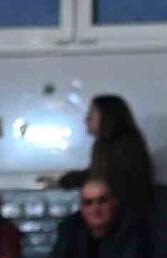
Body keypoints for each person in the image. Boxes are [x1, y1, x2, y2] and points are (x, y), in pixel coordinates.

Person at [60, 92, 158, 223]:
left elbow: (105, 180)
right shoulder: (112, 144)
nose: (86, 119)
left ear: (106, 117)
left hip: (123, 219)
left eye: (92, 113)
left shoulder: (124, 146)